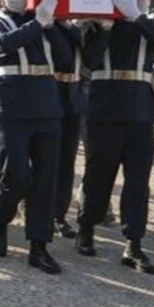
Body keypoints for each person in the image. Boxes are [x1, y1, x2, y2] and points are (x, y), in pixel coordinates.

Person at [76, 0, 154, 274]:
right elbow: (89, 60)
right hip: (105, 107)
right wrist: (103, 29)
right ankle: (86, 227)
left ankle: (134, 243)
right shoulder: (101, 23)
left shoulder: (149, 25)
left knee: (138, 181)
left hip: (140, 111)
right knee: (98, 175)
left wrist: (137, 18)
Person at [0, 0, 67, 274]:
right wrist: (37, 24)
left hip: (46, 105)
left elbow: (66, 57)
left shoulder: (40, 20)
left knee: (45, 178)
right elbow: (2, 46)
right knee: (15, 175)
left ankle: (39, 245)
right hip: (12, 107)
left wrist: (53, 24)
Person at [47, 16, 83, 242]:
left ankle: (59, 214)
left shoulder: (80, 27)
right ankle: (37, 207)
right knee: (45, 158)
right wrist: (60, 25)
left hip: (73, 95)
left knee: (67, 160)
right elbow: (63, 55)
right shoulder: (46, 23)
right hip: (50, 92)